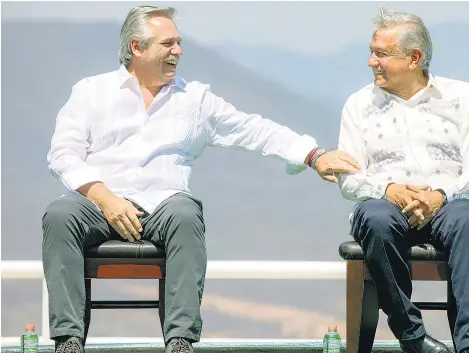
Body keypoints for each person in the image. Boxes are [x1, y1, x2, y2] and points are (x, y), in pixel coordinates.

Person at [42, 5, 361, 353]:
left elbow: (253, 129)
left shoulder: (195, 99)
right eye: (168, 43)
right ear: (137, 47)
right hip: (97, 203)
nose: (178, 51)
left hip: (164, 204)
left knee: (186, 214)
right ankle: (68, 340)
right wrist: (103, 195)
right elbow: (62, 153)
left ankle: (180, 340)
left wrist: (313, 155)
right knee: (59, 216)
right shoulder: (91, 92)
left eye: (179, 43)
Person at [336, 7, 469, 353]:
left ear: (414, 58)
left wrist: (440, 194)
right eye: (371, 51)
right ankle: (414, 338)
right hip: (384, 206)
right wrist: (389, 190)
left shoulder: (462, 98)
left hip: (449, 205)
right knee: (376, 217)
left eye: (380, 54)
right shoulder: (358, 105)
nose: (370, 62)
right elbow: (348, 181)